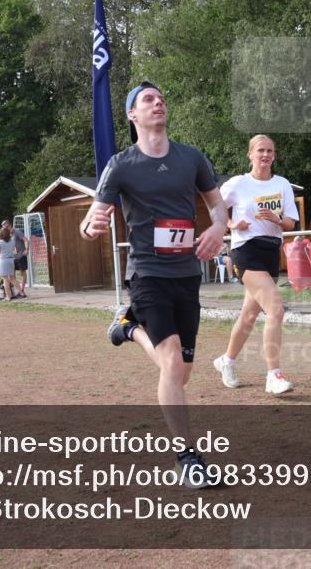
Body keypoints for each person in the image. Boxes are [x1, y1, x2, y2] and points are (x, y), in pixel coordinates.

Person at [81, 81, 227, 486]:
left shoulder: (191, 158)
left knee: (182, 374)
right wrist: (90, 226)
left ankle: (127, 329)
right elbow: (91, 219)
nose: (158, 102)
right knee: (172, 361)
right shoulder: (121, 164)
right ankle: (188, 457)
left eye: (161, 97)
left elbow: (218, 206)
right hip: (146, 274)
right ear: (133, 115)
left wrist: (218, 228)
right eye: (148, 99)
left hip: (187, 275)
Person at [214, 135, 299, 394]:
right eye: (260, 150)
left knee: (249, 315)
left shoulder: (282, 184)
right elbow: (214, 207)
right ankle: (274, 375)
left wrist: (276, 218)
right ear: (250, 154)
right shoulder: (238, 184)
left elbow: (291, 224)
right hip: (245, 250)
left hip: (271, 251)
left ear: (274, 155)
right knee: (275, 309)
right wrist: (230, 224)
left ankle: (226, 361)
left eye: (270, 151)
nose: (265, 155)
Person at [3, 219, 29, 298]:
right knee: (12, 275)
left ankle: (22, 290)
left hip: (20, 255)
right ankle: (14, 291)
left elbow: (26, 240)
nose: (6, 228)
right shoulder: (6, 235)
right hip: (12, 258)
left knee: (22, 273)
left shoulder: (17, 231)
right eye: (4, 227)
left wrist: (26, 249)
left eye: (7, 226)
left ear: (10, 225)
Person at [0, 226, 16, 300]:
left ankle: (8, 296)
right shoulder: (12, 240)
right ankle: (18, 292)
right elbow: (13, 249)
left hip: (3, 260)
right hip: (11, 260)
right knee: (12, 278)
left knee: (5, 279)